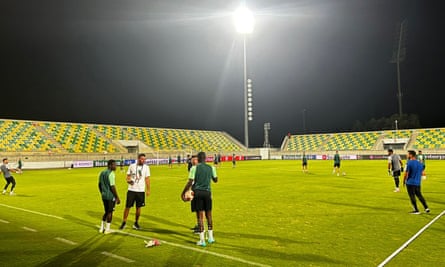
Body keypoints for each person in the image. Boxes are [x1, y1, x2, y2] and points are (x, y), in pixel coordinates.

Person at [181, 152, 218, 247]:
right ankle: (210, 237)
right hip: (207, 193)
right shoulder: (211, 168)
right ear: (205, 158)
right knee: (209, 215)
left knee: (200, 216)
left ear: (198, 158)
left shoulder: (194, 168)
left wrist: (183, 192)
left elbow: (190, 182)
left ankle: (202, 240)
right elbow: (215, 180)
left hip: (197, 193)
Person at [119, 153, 151, 230]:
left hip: (141, 191)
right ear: (138, 159)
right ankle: (124, 222)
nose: (143, 160)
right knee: (127, 207)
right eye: (142, 159)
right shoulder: (132, 166)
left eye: (144, 159)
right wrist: (129, 181)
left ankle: (136, 223)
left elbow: (147, 179)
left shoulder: (146, 167)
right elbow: (127, 177)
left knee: (138, 208)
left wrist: (148, 189)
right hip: (131, 190)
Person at [403, 150, 430, 214]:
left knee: (412, 196)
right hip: (417, 183)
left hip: (410, 182)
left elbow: (406, 173)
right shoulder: (420, 163)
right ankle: (426, 208)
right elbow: (422, 172)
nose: (407, 155)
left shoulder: (409, 163)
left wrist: (404, 181)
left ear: (411, 155)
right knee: (419, 195)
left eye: (408, 154)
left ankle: (416, 210)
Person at [98, 159, 121, 234]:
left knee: (106, 211)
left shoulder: (102, 172)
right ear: (110, 165)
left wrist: (102, 192)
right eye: (114, 165)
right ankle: (107, 229)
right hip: (110, 196)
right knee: (110, 212)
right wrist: (117, 197)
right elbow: (112, 186)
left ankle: (101, 228)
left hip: (104, 195)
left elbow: (99, 184)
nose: (116, 166)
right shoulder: (111, 174)